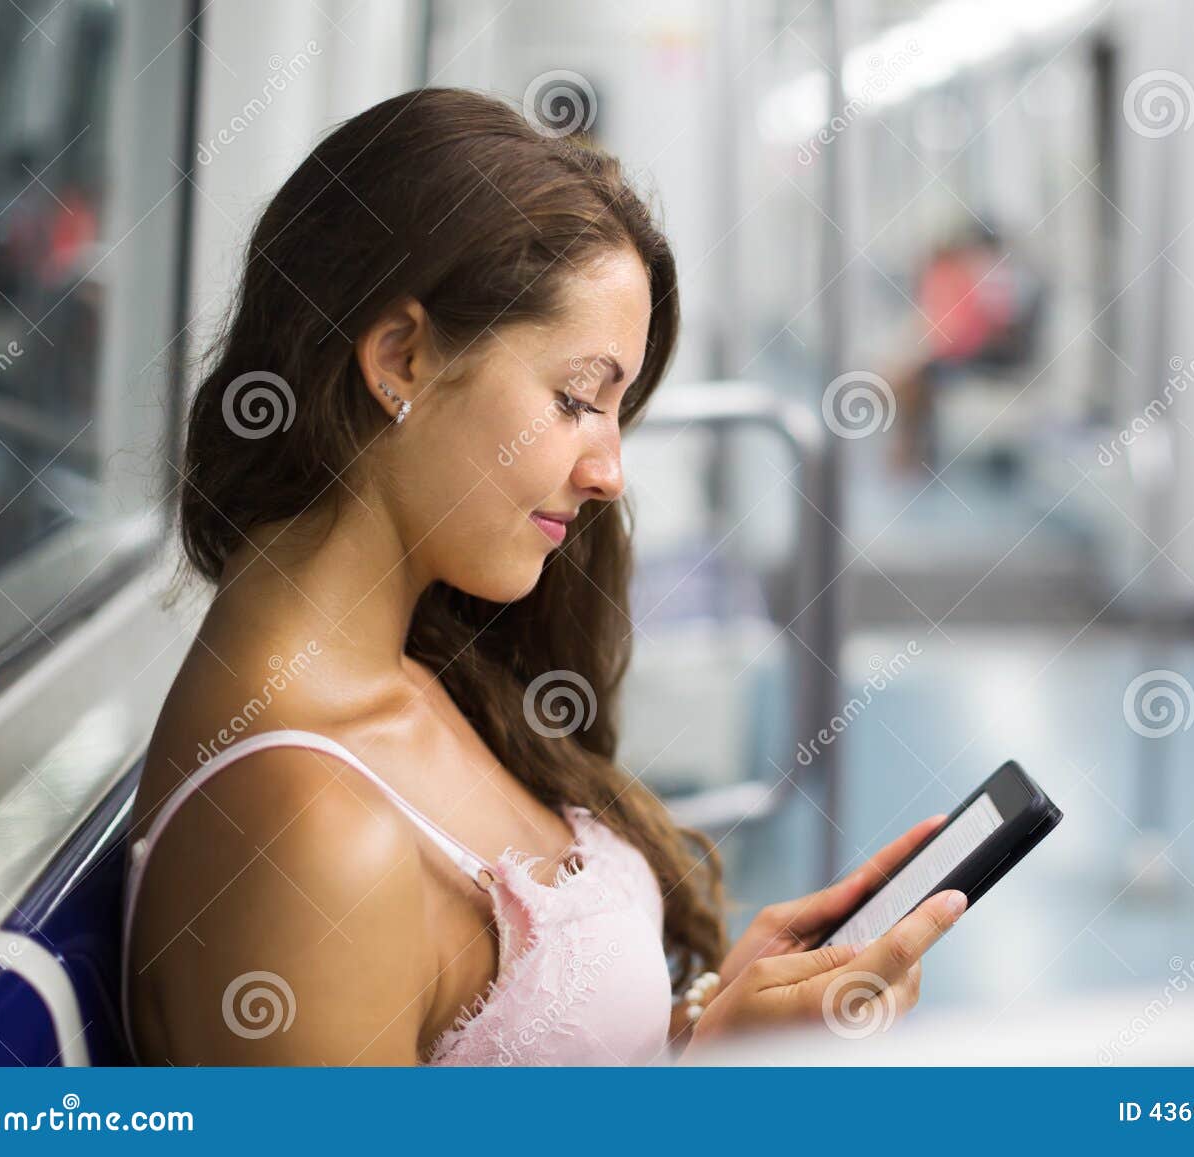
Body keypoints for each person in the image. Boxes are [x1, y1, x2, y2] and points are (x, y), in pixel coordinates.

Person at [121, 87, 968, 1066]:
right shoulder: (307, 840)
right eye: (575, 398)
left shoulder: (399, 673)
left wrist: (708, 1018)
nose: (609, 470)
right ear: (401, 357)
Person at [884, 222, 1041, 475]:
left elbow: (975, 328)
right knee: (915, 375)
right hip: (964, 348)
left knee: (916, 377)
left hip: (987, 353)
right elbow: (946, 322)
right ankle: (911, 454)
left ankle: (909, 455)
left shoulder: (988, 277)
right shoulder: (964, 276)